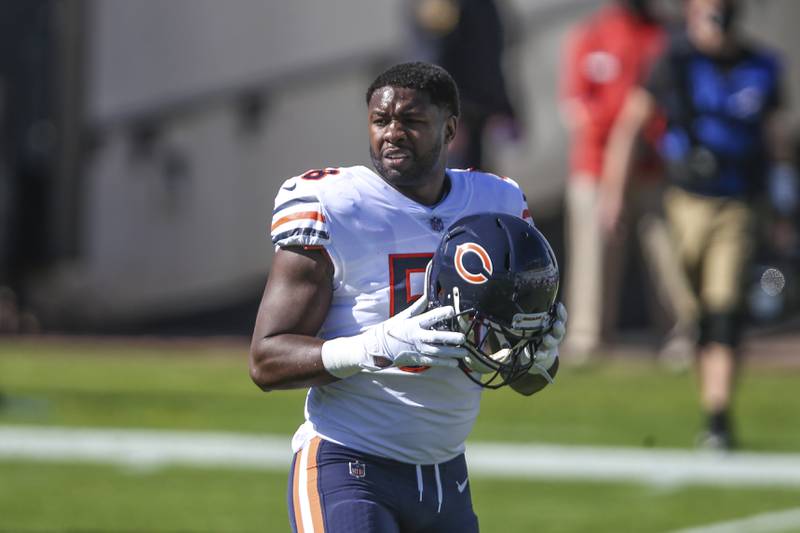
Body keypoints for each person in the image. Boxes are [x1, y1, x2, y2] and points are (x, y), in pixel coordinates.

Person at [249, 62, 567, 532]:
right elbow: (266, 359)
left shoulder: (496, 203)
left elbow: (524, 380)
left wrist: (537, 358)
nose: (393, 133)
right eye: (381, 121)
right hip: (350, 465)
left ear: (451, 128)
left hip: (447, 478)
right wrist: (375, 347)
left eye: (411, 121)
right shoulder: (334, 204)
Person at [600, 0, 797, 449]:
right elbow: (632, 123)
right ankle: (712, 406)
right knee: (696, 314)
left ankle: (719, 417)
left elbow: (776, 137)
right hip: (685, 202)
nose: (717, 24)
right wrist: (614, 194)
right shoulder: (674, 61)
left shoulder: (761, 65)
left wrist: (784, 202)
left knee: (723, 302)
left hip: (739, 202)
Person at [559, 0, 696, 363]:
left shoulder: (664, 34)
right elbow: (575, 105)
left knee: (665, 250)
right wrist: (614, 135)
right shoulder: (591, 34)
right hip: (594, 165)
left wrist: (646, 137)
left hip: (652, 166)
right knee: (594, 250)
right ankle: (589, 337)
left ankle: (681, 332)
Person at [408, 0, 518, 170]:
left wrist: (502, 107)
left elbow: (490, 57)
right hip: (457, 118)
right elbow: (432, 62)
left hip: (483, 112)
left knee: (483, 186)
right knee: (456, 184)